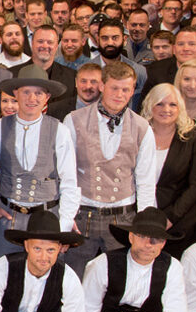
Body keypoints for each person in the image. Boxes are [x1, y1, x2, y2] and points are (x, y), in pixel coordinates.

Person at [61, 62, 157, 275]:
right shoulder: (74, 120)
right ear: (102, 86)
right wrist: (66, 217)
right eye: (114, 88)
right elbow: (66, 175)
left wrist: (145, 225)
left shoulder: (143, 127)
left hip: (123, 217)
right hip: (83, 214)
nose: (119, 94)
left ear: (133, 91)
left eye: (125, 89)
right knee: (72, 277)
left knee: (118, 278)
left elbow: (146, 180)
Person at [0, 70, 78, 257]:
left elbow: (69, 181)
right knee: (7, 275)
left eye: (38, 93)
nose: (32, 98)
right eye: (26, 92)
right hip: (9, 218)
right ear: (16, 94)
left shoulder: (60, 131)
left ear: (47, 98)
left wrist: (64, 225)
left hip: (47, 218)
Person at [141, 83, 196, 255]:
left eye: (173, 104)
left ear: (180, 108)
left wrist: (170, 218)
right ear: (150, 106)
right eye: (160, 104)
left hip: (178, 223)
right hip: (140, 218)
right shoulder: (138, 135)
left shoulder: (193, 139)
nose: (167, 109)